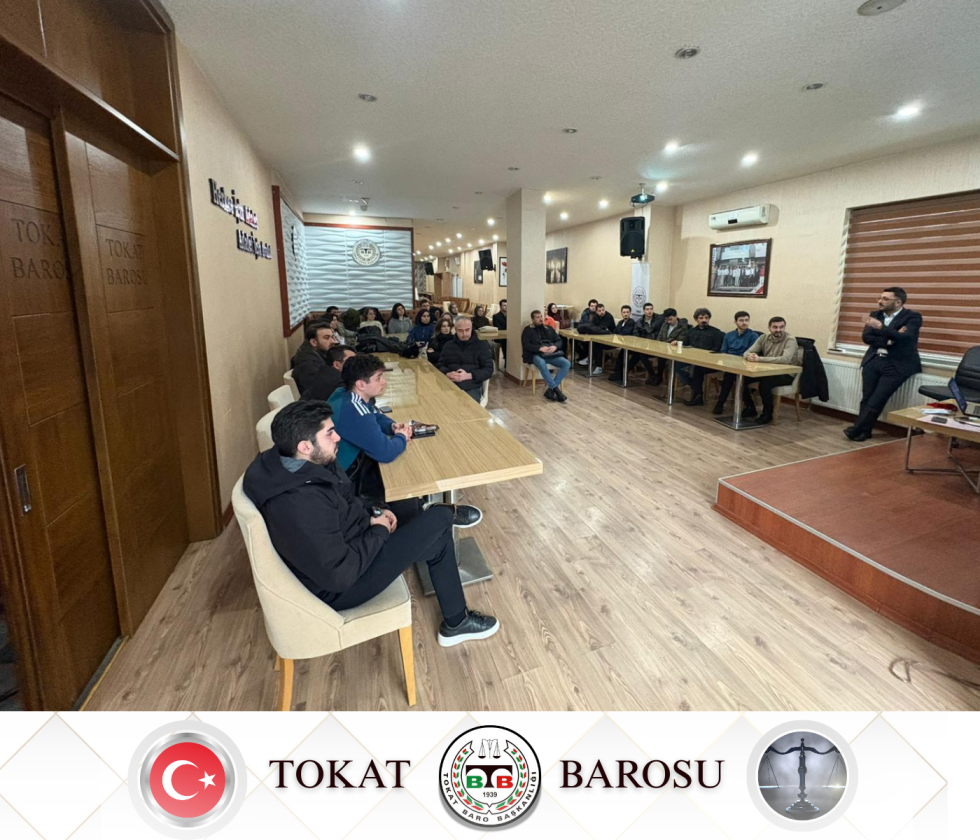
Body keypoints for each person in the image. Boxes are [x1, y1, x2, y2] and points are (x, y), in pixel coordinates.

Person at [243, 401, 498, 646]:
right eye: (329, 433)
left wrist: (375, 512)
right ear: (305, 446)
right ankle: (445, 515)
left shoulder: (308, 463)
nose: (338, 437)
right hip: (342, 586)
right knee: (439, 519)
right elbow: (339, 575)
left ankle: (456, 621)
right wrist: (378, 530)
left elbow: (346, 499)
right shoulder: (300, 503)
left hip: (352, 542)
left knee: (423, 523)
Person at [846, 286, 922, 441]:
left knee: (877, 399)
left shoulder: (913, 317)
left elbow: (905, 339)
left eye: (885, 299)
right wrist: (890, 340)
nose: (880, 301)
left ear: (898, 302)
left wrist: (880, 327)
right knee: (867, 398)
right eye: (879, 298)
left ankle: (856, 429)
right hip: (873, 360)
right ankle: (864, 431)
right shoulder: (875, 314)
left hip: (897, 365)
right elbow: (867, 337)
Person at [743, 317, 802, 424]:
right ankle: (750, 407)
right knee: (742, 378)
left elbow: (785, 359)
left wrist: (759, 359)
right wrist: (749, 356)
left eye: (781, 327)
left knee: (765, 384)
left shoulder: (790, 340)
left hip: (786, 373)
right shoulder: (763, 338)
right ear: (769, 328)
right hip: (767, 371)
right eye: (775, 327)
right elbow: (747, 352)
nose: (778, 330)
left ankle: (767, 414)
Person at [712, 311, 760, 416]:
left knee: (731, 376)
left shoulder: (753, 336)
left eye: (746, 320)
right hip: (730, 364)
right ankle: (750, 406)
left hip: (746, 366)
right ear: (735, 322)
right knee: (731, 375)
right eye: (741, 320)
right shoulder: (729, 335)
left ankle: (720, 403)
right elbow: (724, 351)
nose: (744, 323)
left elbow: (750, 353)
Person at [436, 317, 494, 401]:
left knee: (467, 406)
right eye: (460, 331)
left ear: (471, 328)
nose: (464, 334)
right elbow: (440, 364)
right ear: (455, 330)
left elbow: (488, 370)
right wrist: (448, 373)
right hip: (449, 384)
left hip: (471, 386)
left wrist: (469, 375)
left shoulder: (482, 346)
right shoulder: (448, 346)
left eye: (467, 330)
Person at [678, 307, 724, 406]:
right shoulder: (691, 331)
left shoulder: (716, 332)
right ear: (696, 319)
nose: (704, 320)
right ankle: (693, 385)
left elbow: (717, 348)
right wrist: (677, 343)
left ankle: (698, 396)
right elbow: (685, 344)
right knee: (675, 363)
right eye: (701, 318)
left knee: (697, 369)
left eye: (706, 318)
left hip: (709, 362)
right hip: (692, 359)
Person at [522, 310, 571, 402]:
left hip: (550, 354)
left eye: (541, 316)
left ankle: (550, 390)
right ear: (533, 319)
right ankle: (556, 390)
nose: (540, 319)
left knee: (566, 363)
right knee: (541, 362)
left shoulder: (549, 328)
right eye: (537, 317)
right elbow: (526, 345)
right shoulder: (527, 330)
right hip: (535, 355)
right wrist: (539, 348)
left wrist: (555, 346)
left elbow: (559, 340)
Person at [291, 320, 338, 393]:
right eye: (326, 338)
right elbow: (321, 391)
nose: (332, 341)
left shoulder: (319, 354)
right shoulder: (307, 364)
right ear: (314, 342)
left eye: (332, 337)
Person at [650, 309, 688, 386]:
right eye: (667, 319)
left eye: (670, 319)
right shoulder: (665, 325)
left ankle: (659, 377)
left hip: (674, 352)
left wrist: (665, 344)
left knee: (661, 358)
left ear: (676, 316)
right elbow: (659, 337)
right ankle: (654, 375)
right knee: (642, 355)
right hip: (662, 349)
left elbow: (680, 340)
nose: (669, 322)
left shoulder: (682, 327)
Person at [607, 305, 637, 381]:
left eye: (627, 312)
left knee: (623, 352)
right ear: (621, 313)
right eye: (624, 312)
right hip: (622, 344)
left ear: (630, 313)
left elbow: (625, 333)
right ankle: (618, 372)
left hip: (630, 345)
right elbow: (615, 332)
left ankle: (620, 373)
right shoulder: (620, 322)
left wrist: (619, 332)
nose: (625, 314)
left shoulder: (632, 323)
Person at [492, 298, 508, 363]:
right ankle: (506, 360)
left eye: (507, 305)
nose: (506, 307)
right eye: (504, 305)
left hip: (508, 335)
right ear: (500, 306)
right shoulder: (496, 316)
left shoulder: (511, 316)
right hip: (500, 336)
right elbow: (498, 328)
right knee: (505, 340)